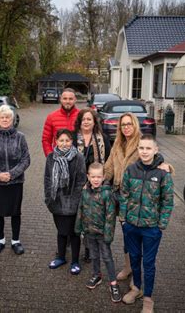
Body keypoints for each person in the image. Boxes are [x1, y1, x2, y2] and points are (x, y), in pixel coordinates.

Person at [104, 113, 170, 290]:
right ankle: (128, 268)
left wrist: (165, 165)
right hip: (119, 194)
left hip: (137, 199)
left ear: (134, 125)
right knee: (127, 234)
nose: (126, 127)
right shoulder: (117, 143)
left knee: (136, 238)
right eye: (123, 124)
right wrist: (96, 180)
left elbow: (156, 157)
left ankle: (137, 276)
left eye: (129, 124)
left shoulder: (142, 143)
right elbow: (109, 167)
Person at [119, 134, 174, 311]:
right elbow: (124, 195)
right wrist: (124, 219)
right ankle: (136, 288)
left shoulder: (163, 173)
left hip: (151, 228)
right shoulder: (131, 170)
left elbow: (168, 201)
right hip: (132, 225)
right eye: (141, 148)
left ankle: (148, 298)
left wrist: (161, 224)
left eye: (148, 148)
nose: (144, 151)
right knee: (134, 258)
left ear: (155, 150)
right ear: (138, 149)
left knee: (148, 263)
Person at [0, 105, 30, 255]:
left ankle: (15, 241)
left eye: (8, 117)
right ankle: (0, 240)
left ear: (12, 119)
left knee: (15, 212)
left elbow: (26, 159)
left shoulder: (20, 137)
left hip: (15, 182)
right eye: (2, 117)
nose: (5, 120)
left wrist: (12, 173)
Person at [75, 162, 121, 303]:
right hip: (89, 231)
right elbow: (81, 210)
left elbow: (110, 216)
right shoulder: (85, 191)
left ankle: (113, 283)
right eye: (93, 176)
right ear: (88, 176)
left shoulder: (108, 194)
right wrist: (79, 227)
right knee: (94, 255)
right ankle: (97, 275)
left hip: (102, 233)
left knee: (107, 257)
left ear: (103, 177)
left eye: (99, 177)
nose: (96, 179)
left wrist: (108, 235)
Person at [44, 129, 86, 275]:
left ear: (72, 142)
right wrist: (49, 199)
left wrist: (75, 201)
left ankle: (75, 261)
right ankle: (61, 257)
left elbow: (81, 180)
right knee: (61, 232)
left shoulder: (78, 157)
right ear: (56, 141)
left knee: (74, 233)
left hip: (73, 203)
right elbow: (48, 179)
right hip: (56, 202)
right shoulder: (51, 157)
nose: (64, 143)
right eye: (61, 140)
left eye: (67, 140)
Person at [73, 107, 111, 263]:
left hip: (95, 184)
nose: (86, 122)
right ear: (79, 122)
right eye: (83, 119)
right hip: (77, 184)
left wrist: (102, 181)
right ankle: (78, 242)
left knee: (92, 218)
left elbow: (108, 161)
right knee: (80, 216)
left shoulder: (102, 138)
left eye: (89, 119)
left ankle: (89, 249)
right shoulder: (73, 137)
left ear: (94, 121)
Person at [41, 88, 80, 156]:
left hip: (77, 158)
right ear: (60, 99)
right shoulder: (51, 117)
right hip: (58, 158)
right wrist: (50, 156)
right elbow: (46, 140)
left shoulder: (81, 116)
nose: (67, 101)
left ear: (75, 100)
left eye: (70, 99)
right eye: (65, 98)